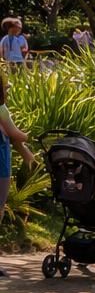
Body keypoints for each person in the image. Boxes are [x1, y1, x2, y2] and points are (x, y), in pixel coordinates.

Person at [0, 70, 36, 278]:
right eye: (5, 87)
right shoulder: (2, 109)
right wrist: (31, 136)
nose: (8, 90)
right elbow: (15, 134)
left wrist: (26, 153)